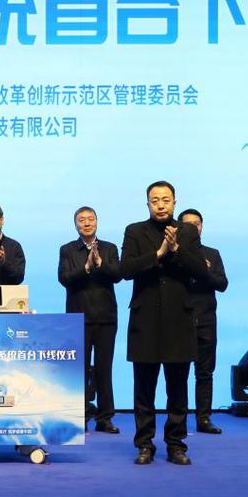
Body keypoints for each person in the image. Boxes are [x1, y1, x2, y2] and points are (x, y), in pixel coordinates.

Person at [120, 181, 208, 465]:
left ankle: (176, 445)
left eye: (166, 200)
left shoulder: (188, 232)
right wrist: (158, 253)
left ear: (174, 202)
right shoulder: (135, 231)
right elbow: (125, 269)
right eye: (155, 200)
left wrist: (176, 248)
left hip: (179, 320)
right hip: (144, 320)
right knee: (144, 390)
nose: (160, 205)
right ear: (147, 203)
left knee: (178, 389)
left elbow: (200, 270)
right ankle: (145, 444)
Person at [57, 206, 122, 433]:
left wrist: (100, 264)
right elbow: (64, 278)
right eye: (81, 220)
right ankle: (80, 416)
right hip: (78, 317)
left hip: (106, 317)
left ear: (97, 222)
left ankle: (105, 418)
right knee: (80, 370)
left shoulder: (109, 248)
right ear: (76, 224)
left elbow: (118, 275)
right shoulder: (67, 249)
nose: (86, 223)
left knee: (105, 368)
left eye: (90, 219)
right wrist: (85, 268)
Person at [177, 208, 229, 435]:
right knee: (178, 374)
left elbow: (222, 284)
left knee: (205, 372)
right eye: (187, 224)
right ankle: (178, 420)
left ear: (202, 227)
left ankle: (204, 419)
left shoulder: (212, 254)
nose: (193, 228)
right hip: (179, 320)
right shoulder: (173, 253)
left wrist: (204, 271)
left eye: (196, 224)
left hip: (206, 320)